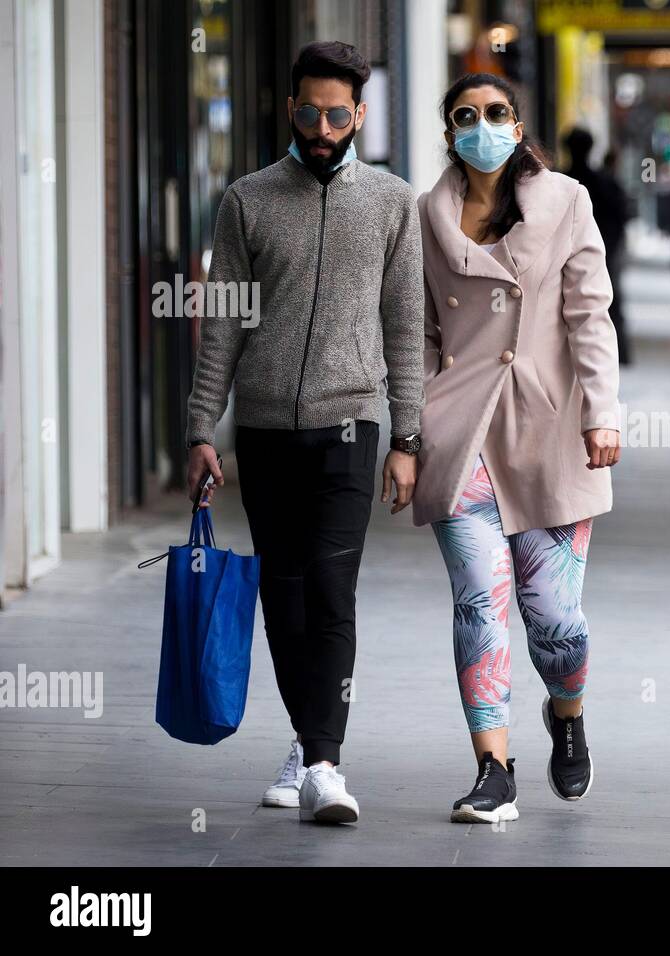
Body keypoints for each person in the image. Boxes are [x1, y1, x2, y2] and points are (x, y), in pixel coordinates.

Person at [183, 41, 424, 824]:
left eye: (336, 113)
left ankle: (325, 760)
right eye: (309, 112)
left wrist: (407, 438)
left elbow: (405, 325)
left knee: (331, 591)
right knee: (283, 595)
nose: (322, 127)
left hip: (351, 423)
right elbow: (221, 328)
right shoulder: (247, 201)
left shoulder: (392, 204)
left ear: (359, 114)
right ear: (291, 110)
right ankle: (307, 738)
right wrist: (200, 431)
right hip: (264, 430)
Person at [413, 73, 622, 824]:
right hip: (461, 433)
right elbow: (421, 335)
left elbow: (590, 316)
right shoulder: (426, 216)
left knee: (556, 621)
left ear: (519, 122)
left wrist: (604, 414)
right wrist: (411, 435)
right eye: (465, 117)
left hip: (549, 431)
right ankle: (492, 768)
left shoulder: (565, 201)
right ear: (448, 133)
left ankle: (566, 715)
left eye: (496, 113)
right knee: (478, 602)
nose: (482, 127)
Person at [563, 126, 633, 365]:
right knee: (608, 302)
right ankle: (619, 353)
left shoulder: (559, 181)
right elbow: (623, 215)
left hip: (564, 255)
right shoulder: (605, 181)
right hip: (604, 253)